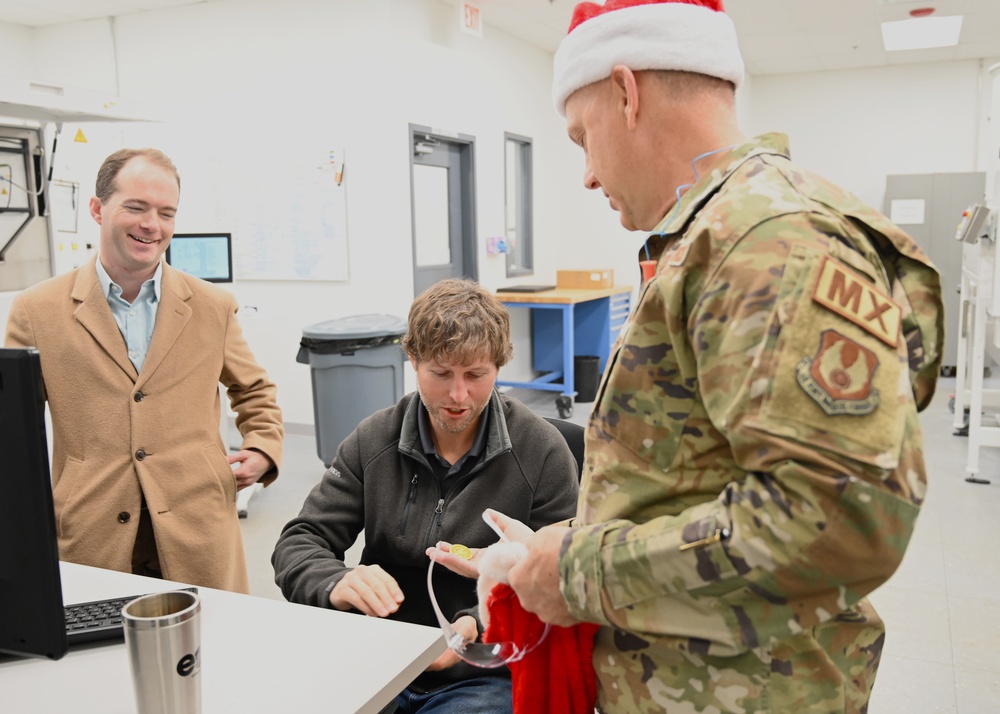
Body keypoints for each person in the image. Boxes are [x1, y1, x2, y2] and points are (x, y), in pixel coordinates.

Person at [477, 1, 946, 712]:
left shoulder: (766, 241)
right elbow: (696, 474)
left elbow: (839, 518)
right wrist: (571, 542)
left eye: (581, 137)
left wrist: (576, 573)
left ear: (626, 92)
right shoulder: (716, 238)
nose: (587, 175)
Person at [272, 278, 579, 714]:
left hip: (484, 674)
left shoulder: (543, 452)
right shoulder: (373, 439)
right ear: (412, 360)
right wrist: (335, 581)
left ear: (499, 364)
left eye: (476, 375)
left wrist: (477, 624)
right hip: (379, 657)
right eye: (440, 373)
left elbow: (561, 581)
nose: (458, 396)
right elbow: (300, 541)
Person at [5, 147, 284, 593]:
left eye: (165, 212)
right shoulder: (37, 311)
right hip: (92, 526)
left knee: (211, 648)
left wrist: (263, 448)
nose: (151, 224)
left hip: (197, 526)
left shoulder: (211, 306)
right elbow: (11, 431)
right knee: (97, 653)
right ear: (97, 209)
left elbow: (254, 390)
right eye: (135, 207)